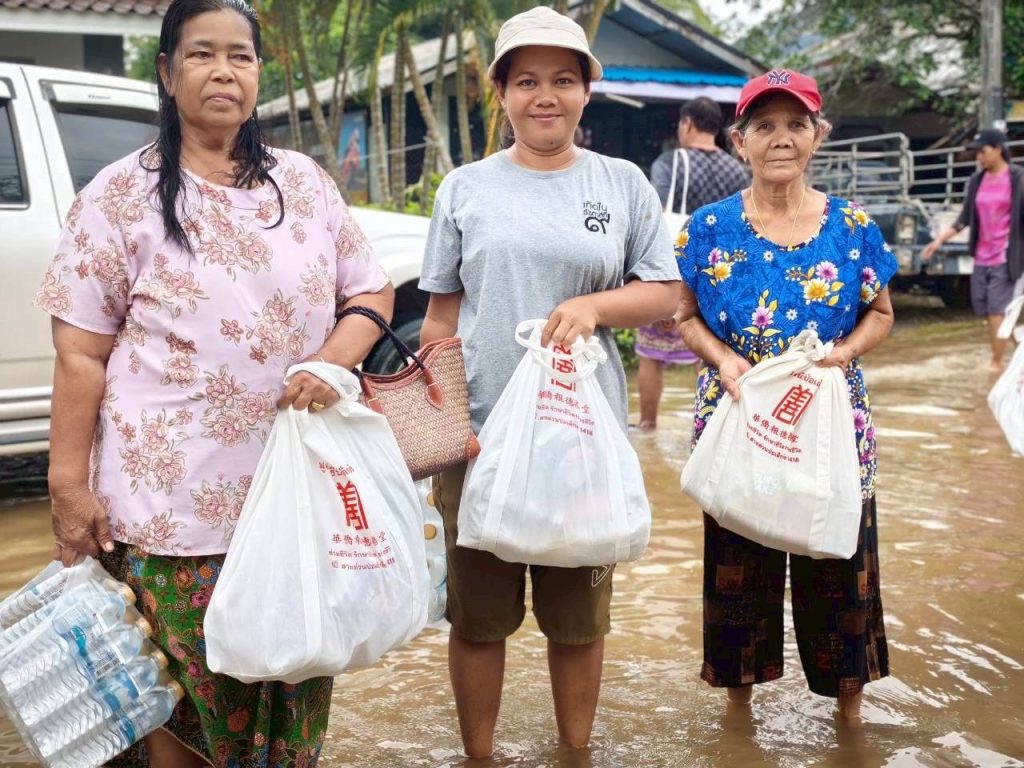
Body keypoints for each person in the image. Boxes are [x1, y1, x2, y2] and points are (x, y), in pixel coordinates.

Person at [34, 1, 393, 765]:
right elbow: (80, 356)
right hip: (171, 513)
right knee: (184, 715)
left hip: (297, 497)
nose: (223, 71)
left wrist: (333, 358)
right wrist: (68, 487)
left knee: (291, 688)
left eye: (240, 56)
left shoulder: (303, 183)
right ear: (167, 72)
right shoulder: (119, 197)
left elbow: (370, 291)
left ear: (259, 73)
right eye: (202, 54)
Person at [418, 6, 681, 758]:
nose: (546, 96)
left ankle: (575, 753)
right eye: (527, 81)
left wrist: (595, 306)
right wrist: (442, 427)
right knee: (478, 620)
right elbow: (441, 319)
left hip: (581, 437)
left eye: (563, 80)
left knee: (578, 625)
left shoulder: (621, 183)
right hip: (481, 435)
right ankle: (479, 755)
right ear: (501, 92)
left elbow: (665, 292)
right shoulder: (465, 188)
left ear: (586, 91)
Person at [675, 69, 895, 721]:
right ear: (738, 141)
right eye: (764, 126)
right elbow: (685, 317)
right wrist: (725, 359)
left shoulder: (853, 226)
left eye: (796, 124)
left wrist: (842, 354)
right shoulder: (707, 228)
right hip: (741, 423)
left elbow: (881, 314)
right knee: (738, 577)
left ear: (817, 136)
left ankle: (848, 724)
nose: (781, 138)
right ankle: (738, 721)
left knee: (840, 576)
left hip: (831, 428)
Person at [636, 98, 749, 429]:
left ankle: (647, 426)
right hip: (722, 276)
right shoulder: (737, 170)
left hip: (676, 272)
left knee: (650, 353)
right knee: (713, 355)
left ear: (687, 124)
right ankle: (709, 425)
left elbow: (654, 215)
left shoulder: (671, 162)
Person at [921, 128, 1024, 371]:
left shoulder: (1018, 179)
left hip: (1007, 256)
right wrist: (938, 241)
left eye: (983, 151)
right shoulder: (977, 181)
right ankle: (1019, 349)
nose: (979, 157)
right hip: (982, 256)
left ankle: (996, 364)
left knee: (997, 310)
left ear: (998, 149)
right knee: (987, 309)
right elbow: (964, 218)